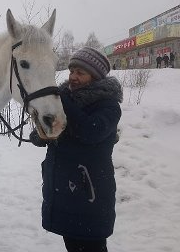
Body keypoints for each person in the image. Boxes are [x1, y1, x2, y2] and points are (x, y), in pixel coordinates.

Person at [30, 47, 123, 252]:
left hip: (90, 194)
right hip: (64, 191)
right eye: (72, 71)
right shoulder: (66, 100)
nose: (73, 77)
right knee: (72, 245)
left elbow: (90, 131)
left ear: (95, 76)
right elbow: (52, 131)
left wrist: (63, 101)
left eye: (80, 73)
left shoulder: (108, 105)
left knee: (92, 247)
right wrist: (41, 134)